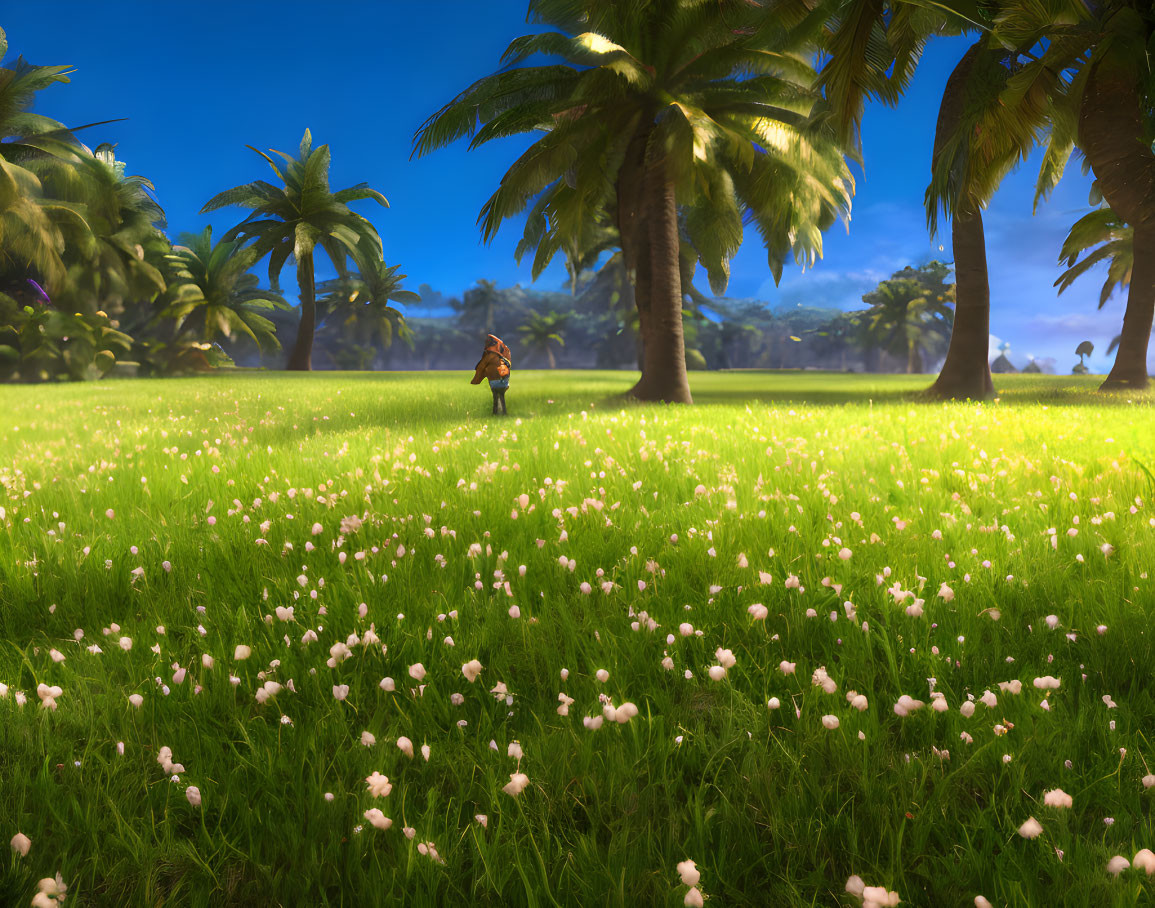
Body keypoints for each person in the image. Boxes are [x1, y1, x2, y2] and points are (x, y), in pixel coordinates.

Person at [471, 334, 512, 415]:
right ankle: (503, 412)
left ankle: (495, 413)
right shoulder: (502, 356)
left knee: (495, 397)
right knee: (501, 397)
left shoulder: (489, 355)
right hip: (504, 380)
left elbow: (481, 366)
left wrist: (476, 379)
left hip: (494, 380)